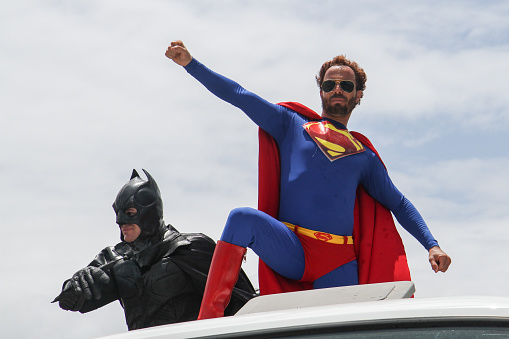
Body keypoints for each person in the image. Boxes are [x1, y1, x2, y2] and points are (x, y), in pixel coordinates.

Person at [165, 41, 452, 320]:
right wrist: (191, 64)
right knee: (241, 219)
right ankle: (210, 321)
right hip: (293, 249)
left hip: (338, 261)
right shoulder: (290, 123)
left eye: (346, 85)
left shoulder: (364, 157)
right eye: (330, 84)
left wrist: (432, 244)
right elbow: (239, 95)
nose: (337, 89)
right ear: (321, 91)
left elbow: (398, 202)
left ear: (359, 94)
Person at [53, 169, 256, 330]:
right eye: (118, 213)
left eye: (129, 212)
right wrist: (75, 284)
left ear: (149, 212)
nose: (120, 221)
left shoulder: (190, 247)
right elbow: (73, 302)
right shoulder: (114, 258)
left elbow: (246, 304)